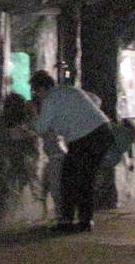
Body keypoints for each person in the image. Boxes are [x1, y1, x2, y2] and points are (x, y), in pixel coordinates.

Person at [30, 70, 114, 232]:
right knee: (86, 179)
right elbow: (95, 100)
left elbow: (41, 127)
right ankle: (85, 220)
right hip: (103, 132)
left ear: (40, 89)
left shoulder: (50, 99)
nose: (36, 95)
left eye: (36, 91)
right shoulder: (70, 90)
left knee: (68, 179)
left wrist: (32, 118)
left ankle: (66, 222)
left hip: (85, 139)